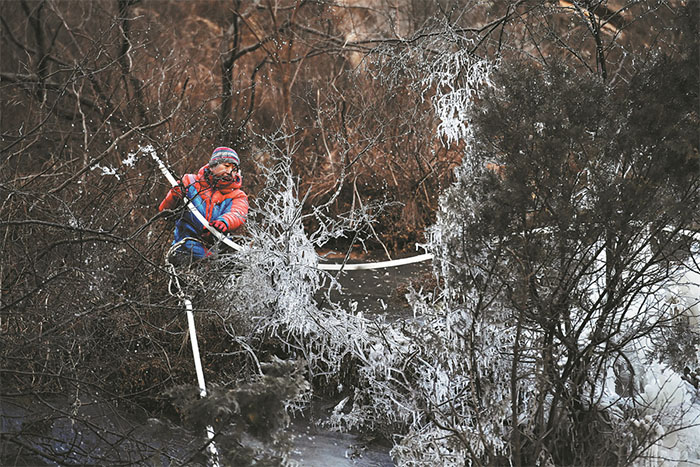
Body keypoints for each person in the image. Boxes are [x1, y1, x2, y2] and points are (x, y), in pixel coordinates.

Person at [159, 146, 248, 265]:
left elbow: (238, 213)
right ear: (212, 166)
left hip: (217, 254)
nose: (230, 172)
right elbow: (165, 212)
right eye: (226, 166)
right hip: (183, 250)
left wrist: (224, 222)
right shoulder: (189, 182)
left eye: (234, 169)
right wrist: (174, 195)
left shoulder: (238, 195)